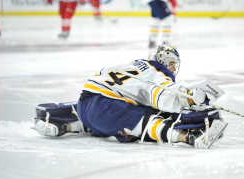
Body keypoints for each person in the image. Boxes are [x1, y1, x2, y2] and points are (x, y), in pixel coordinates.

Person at [31, 44, 228, 149]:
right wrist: (189, 98)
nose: (173, 69)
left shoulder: (133, 63)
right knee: (149, 119)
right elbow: (164, 94)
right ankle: (190, 138)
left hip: (84, 103)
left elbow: (101, 74)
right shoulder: (156, 70)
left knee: (109, 120)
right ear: (162, 61)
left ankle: (63, 125)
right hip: (107, 107)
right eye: (172, 64)